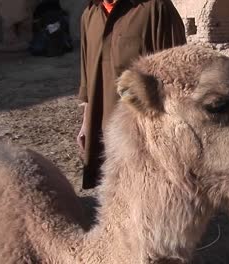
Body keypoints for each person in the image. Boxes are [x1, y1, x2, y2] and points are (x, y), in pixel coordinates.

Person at [77, 0, 186, 189]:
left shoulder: (155, 8)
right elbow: (87, 78)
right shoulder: (90, 15)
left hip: (145, 129)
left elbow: (176, 75)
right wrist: (86, 124)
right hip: (104, 127)